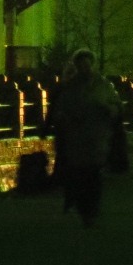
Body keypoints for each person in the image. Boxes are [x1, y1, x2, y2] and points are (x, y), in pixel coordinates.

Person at [46, 49, 120, 226]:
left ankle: (91, 209)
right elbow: (60, 110)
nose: (84, 68)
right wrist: (65, 119)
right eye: (81, 65)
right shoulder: (71, 87)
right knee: (80, 173)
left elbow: (116, 106)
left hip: (97, 137)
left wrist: (109, 110)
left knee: (93, 174)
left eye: (87, 64)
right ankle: (83, 207)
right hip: (77, 138)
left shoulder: (103, 85)